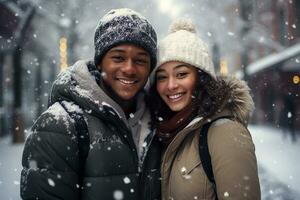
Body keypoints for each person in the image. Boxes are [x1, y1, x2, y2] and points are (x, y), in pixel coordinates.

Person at [20, 8, 161, 200]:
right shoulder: (60, 125)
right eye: (118, 57)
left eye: (140, 60)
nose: (129, 68)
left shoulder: (159, 122)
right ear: (100, 62)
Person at [148, 18, 261, 199]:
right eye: (162, 77)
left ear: (201, 78)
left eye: (182, 74)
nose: (171, 85)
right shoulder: (164, 131)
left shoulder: (225, 132)